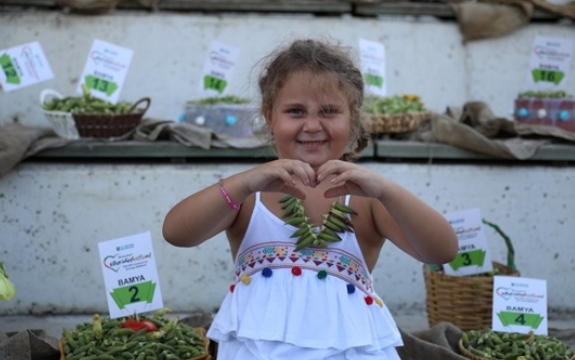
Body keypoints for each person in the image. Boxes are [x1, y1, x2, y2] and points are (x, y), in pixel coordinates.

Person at [162, 39, 458, 360]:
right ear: (269, 116)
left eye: (329, 111)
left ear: (353, 118)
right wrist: (244, 183)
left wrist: (387, 191)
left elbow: (441, 251)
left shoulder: (369, 199)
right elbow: (177, 233)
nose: (312, 125)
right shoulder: (249, 195)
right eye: (295, 111)